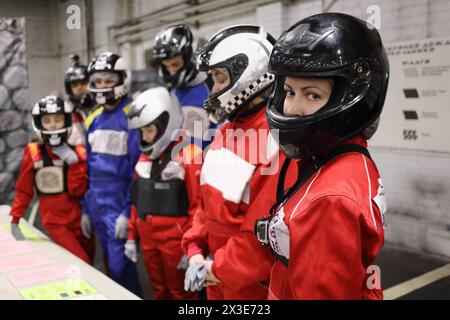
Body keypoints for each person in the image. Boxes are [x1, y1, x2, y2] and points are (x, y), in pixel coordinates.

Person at [257, 12, 389, 299]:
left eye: (312, 95)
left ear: (350, 98)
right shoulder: (339, 159)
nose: (291, 108)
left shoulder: (328, 198)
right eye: (289, 92)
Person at [181, 25, 296, 300]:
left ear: (250, 75)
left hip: (249, 284)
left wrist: (214, 268)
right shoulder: (224, 132)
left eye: (220, 78)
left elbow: (261, 238)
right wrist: (194, 248)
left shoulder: (275, 142)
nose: (214, 89)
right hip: (215, 272)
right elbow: (205, 204)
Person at [124, 87, 202, 300]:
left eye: (149, 130)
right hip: (148, 239)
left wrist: (193, 247)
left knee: (182, 294)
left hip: (176, 241)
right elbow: (137, 200)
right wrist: (132, 236)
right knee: (158, 291)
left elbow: (199, 209)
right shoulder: (143, 159)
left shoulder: (191, 156)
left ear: (165, 124)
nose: (145, 137)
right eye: (141, 132)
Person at [82, 52, 142, 297]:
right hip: (96, 203)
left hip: (120, 203)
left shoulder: (134, 116)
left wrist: (127, 212)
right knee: (108, 267)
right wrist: (87, 208)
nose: (102, 86)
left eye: (108, 80)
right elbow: (89, 169)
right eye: (97, 81)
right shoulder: (92, 119)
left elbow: (137, 170)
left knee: (121, 269)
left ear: (122, 79)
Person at [9, 95, 95, 264]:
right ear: (39, 123)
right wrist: (15, 218)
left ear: (67, 121)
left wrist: (74, 164)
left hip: (80, 219)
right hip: (55, 221)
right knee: (81, 262)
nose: (53, 124)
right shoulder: (33, 152)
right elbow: (24, 189)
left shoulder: (79, 152)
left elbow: (80, 190)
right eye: (47, 120)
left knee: (89, 263)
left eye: (58, 119)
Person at [153, 24, 212, 148]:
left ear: (190, 58)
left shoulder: (212, 89)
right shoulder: (170, 93)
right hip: (174, 163)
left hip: (203, 163)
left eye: (175, 64)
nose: (171, 72)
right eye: (166, 66)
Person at [64, 54, 96, 146]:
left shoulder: (101, 106)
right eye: (75, 85)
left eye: (83, 83)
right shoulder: (65, 111)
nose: (79, 88)